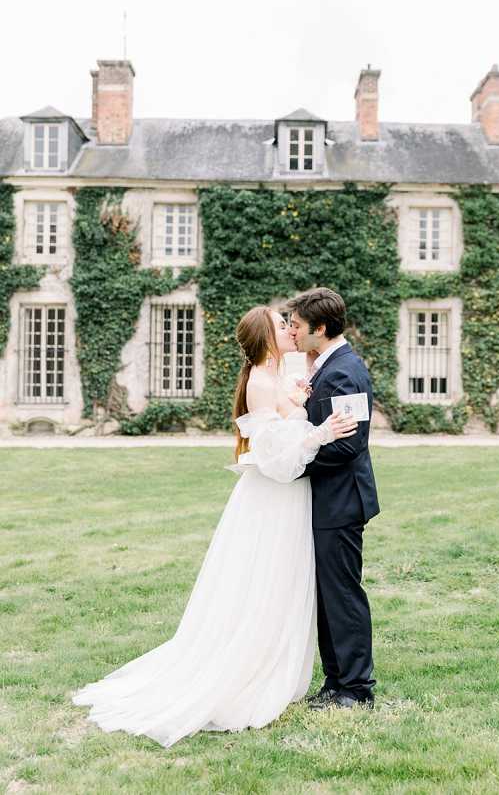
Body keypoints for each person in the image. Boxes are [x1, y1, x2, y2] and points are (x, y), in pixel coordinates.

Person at [71, 305, 356, 747]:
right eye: (283, 326)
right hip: (274, 499)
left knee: (281, 584)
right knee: (264, 583)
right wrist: (321, 432)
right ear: (266, 336)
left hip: (289, 501)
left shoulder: (277, 378)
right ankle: (246, 675)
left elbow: (284, 427)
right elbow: (277, 461)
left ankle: (273, 665)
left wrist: (298, 402)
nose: (290, 329)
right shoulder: (261, 383)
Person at [288, 287, 379, 710]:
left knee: (342, 594)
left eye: (298, 326)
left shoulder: (345, 372)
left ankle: (356, 688)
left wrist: (292, 462)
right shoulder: (325, 366)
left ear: (319, 329)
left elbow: (349, 445)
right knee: (327, 594)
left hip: (342, 502)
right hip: (327, 501)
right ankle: (336, 680)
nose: (292, 332)